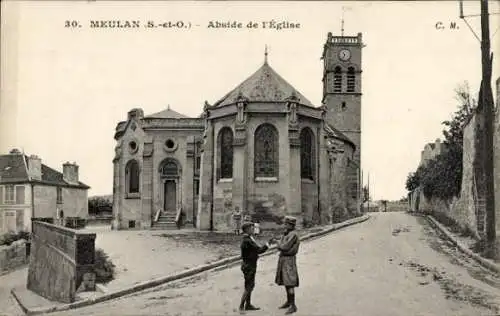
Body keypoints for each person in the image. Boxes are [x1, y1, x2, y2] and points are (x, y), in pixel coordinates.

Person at [239, 221, 274, 314]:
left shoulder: (249, 239)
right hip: (249, 266)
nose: (253, 229)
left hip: (248, 265)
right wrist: (268, 243)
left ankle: (248, 305)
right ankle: (241, 306)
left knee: (250, 285)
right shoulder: (247, 240)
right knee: (249, 286)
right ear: (246, 229)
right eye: (251, 228)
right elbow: (259, 250)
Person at [275, 216, 300, 314]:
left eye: (286, 224)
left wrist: (278, 243)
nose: (284, 226)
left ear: (291, 225)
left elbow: (284, 247)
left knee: (290, 282)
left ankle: (293, 305)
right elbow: (282, 247)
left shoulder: (293, 235)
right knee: (286, 281)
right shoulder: (287, 234)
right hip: (284, 259)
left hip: (289, 260)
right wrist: (280, 244)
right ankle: (289, 302)